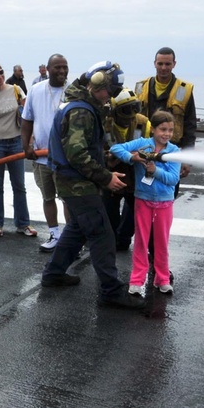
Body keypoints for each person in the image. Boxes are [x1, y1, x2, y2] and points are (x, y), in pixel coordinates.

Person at [42, 61, 143, 310]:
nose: (110, 97)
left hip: (71, 180)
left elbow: (81, 149)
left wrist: (104, 158)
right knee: (102, 234)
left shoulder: (81, 105)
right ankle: (111, 290)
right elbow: (76, 154)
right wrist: (105, 176)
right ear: (97, 83)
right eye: (109, 91)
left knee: (77, 228)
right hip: (77, 184)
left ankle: (53, 273)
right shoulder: (82, 112)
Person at [110, 110, 180, 295]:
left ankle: (162, 279)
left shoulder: (174, 151)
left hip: (165, 203)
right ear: (153, 129)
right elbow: (115, 149)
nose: (166, 134)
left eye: (170, 130)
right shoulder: (143, 144)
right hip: (143, 200)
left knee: (162, 243)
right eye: (163, 129)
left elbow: (173, 179)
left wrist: (155, 170)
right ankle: (136, 281)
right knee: (140, 241)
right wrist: (133, 157)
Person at [0, 61, 36, 237]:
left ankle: (23, 224)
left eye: (1, 72)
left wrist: (30, 141)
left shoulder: (16, 90)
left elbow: (29, 117)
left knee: (19, 185)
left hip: (16, 142)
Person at [21, 53, 70, 251]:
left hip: (66, 158)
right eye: (57, 67)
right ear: (47, 69)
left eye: (65, 67)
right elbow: (27, 120)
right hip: (42, 157)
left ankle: (69, 238)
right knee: (47, 197)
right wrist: (26, 145)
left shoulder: (74, 91)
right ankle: (54, 234)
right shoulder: (36, 90)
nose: (62, 71)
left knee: (67, 199)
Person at [135, 46, 196, 189]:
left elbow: (190, 126)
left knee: (168, 193)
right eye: (160, 63)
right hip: (144, 149)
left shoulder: (184, 90)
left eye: (167, 64)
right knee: (138, 194)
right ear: (154, 63)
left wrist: (187, 159)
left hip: (171, 150)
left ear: (174, 64)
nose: (163, 67)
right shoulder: (140, 87)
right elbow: (133, 121)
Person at [102, 88, 152, 250]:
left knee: (137, 213)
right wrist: (106, 157)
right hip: (111, 175)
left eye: (134, 108)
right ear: (115, 111)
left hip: (135, 176)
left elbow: (152, 147)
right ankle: (110, 240)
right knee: (109, 213)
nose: (131, 114)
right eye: (126, 110)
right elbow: (95, 149)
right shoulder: (104, 124)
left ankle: (124, 239)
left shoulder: (144, 123)